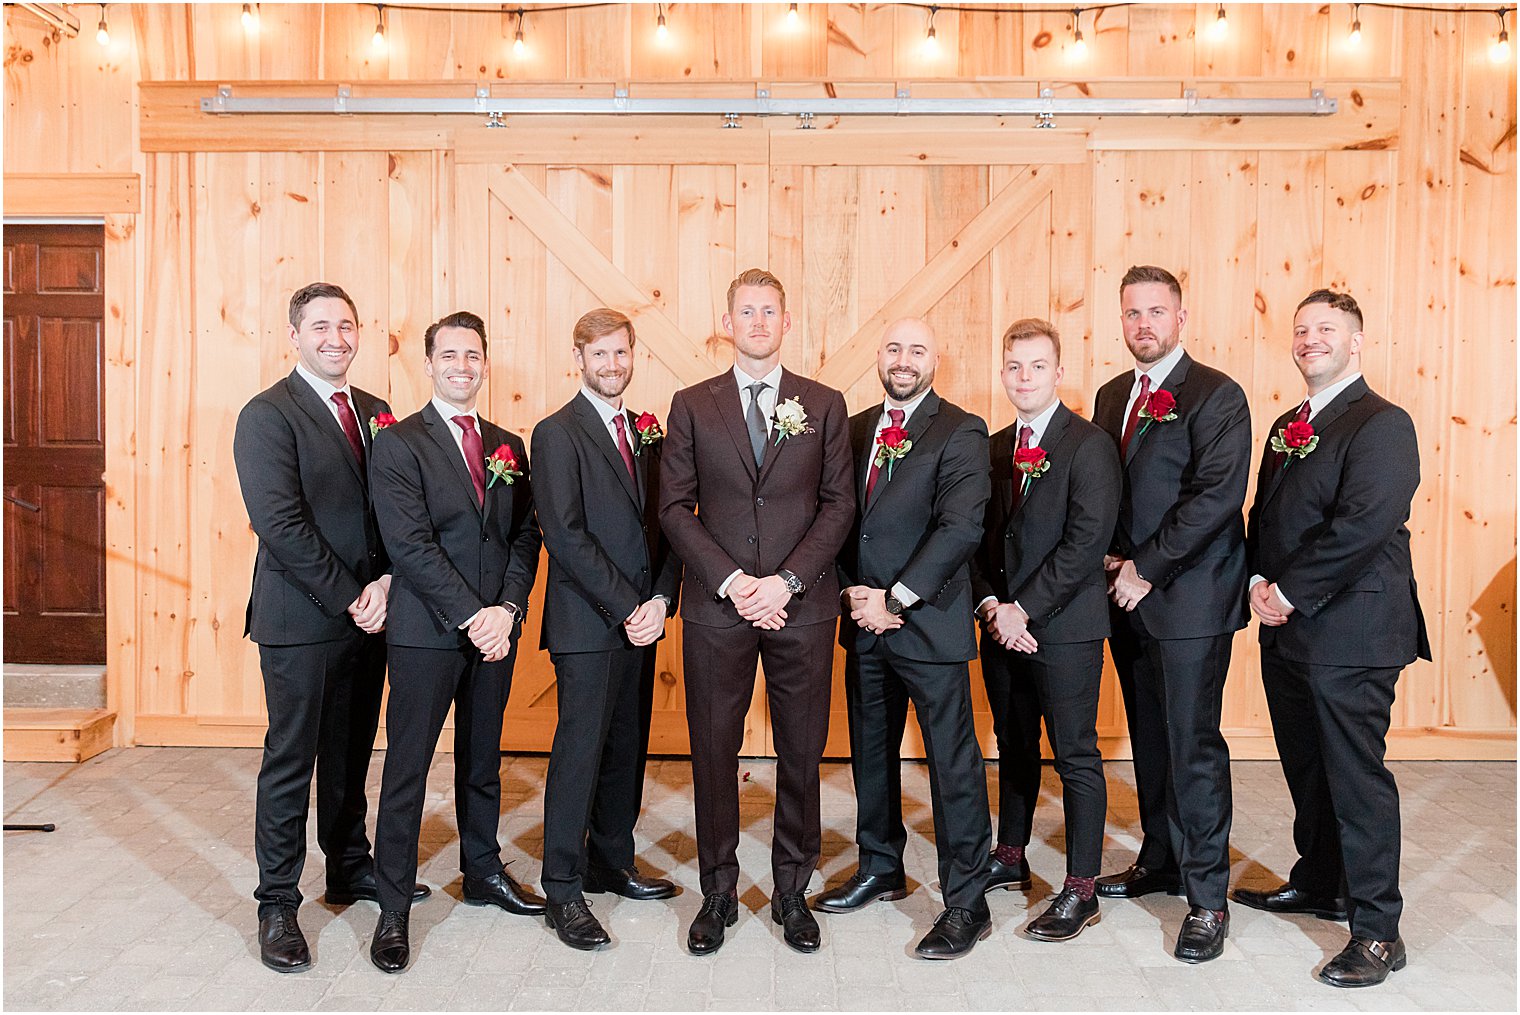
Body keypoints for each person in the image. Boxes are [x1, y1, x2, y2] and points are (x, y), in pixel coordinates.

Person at [658, 268, 855, 955]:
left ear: (787, 320)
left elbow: (839, 504)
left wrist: (789, 582)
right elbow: (674, 507)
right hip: (720, 606)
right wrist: (736, 580)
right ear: (728, 321)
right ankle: (717, 888)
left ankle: (792, 888)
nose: (759, 321)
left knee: (802, 750)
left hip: (802, 609)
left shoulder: (824, 403)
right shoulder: (690, 403)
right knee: (714, 748)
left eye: (770, 311)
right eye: (747, 311)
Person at [233, 282, 427, 974]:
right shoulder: (266, 415)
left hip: (372, 610)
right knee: (292, 759)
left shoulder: (376, 412)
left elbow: (398, 507)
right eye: (321, 326)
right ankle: (277, 901)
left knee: (351, 752)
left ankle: (349, 865)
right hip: (302, 617)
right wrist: (353, 594)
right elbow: (281, 525)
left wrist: (388, 583)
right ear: (295, 335)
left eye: (346, 325)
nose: (335, 338)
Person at [1238, 289, 1429, 988]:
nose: (1311, 338)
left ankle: (1378, 930)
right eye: (1302, 329)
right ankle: (1321, 880)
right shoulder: (1288, 423)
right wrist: (1257, 575)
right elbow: (1266, 513)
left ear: (1356, 342)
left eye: (1326, 329)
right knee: (1308, 768)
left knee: (1356, 779)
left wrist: (1286, 591)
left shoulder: (1382, 422)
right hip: (1289, 632)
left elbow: (1363, 524)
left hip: (1354, 630)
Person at [367, 311, 545, 973]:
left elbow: (526, 534)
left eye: (473, 355)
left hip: (495, 631)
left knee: (481, 759)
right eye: (450, 355)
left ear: (485, 363)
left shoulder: (507, 445)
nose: (462, 366)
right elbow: (409, 544)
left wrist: (508, 607)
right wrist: (474, 614)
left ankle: (482, 871)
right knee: (408, 768)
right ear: (430, 362)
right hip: (427, 631)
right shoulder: (399, 442)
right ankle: (391, 906)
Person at [816, 317, 994, 959]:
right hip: (864, 624)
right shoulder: (855, 427)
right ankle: (880, 865)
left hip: (928, 625)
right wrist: (851, 596)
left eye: (917, 349)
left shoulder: (961, 431)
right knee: (870, 753)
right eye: (893, 348)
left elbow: (960, 529)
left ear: (935, 358)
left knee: (953, 765)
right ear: (879, 356)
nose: (903, 359)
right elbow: (833, 519)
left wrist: (895, 598)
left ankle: (967, 902)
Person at [1091, 265, 1251, 963]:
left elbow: (1215, 498)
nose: (1144, 324)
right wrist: (1103, 557)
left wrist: (1144, 568)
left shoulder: (1217, 394)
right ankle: (1161, 857)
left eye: (1157, 311)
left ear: (1181, 318)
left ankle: (1208, 899)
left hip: (1188, 600)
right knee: (1150, 740)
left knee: (1192, 747)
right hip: (1123, 599)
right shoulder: (1110, 395)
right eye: (1133, 313)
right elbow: (1102, 486)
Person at [531, 308, 682, 950]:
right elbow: (565, 535)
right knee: (579, 751)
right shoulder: (556, 433)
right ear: (579, 358)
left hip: (641, 620)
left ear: (632, 356)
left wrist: (661, 599)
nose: (612, 365)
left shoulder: (647, 432)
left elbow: (673, 520)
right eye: (600, 355)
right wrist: (628, 605)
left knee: (628, 746)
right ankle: (562, 888)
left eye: (621, 354)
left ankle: (610, 861)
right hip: (588, 624)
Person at [971, 318, 1120, 942]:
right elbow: (975, 536)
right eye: (1014, 367)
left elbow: (1087, 543)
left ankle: (1081, 888)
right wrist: (990, 607)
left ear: (1059, 372)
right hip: (1002, 629)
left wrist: (1022, 610)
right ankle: (1010, 855)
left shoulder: (1089, 444)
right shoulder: (994, 444)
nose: (1024, 378)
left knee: (1076, 755)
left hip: (1064, 629)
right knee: (1013, 745)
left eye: (1036, 366)